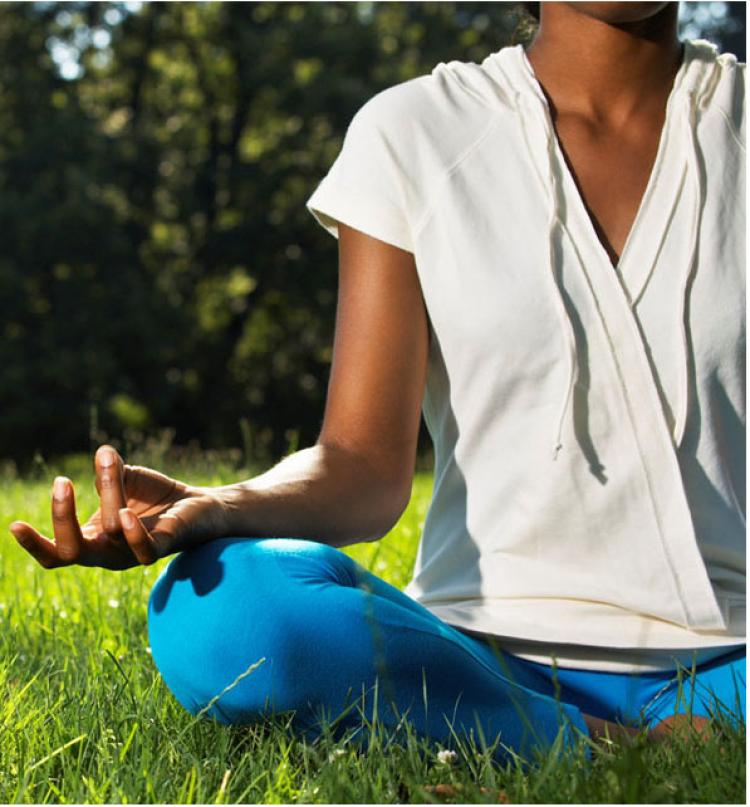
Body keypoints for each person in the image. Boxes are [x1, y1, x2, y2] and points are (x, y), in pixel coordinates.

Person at [9, 1, 745, 765]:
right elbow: (361, 462)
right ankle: (591, 742)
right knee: (223, 606)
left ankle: (527, 751)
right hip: (474, 658)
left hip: (734, 660)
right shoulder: (416, 132)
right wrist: (217, 506)